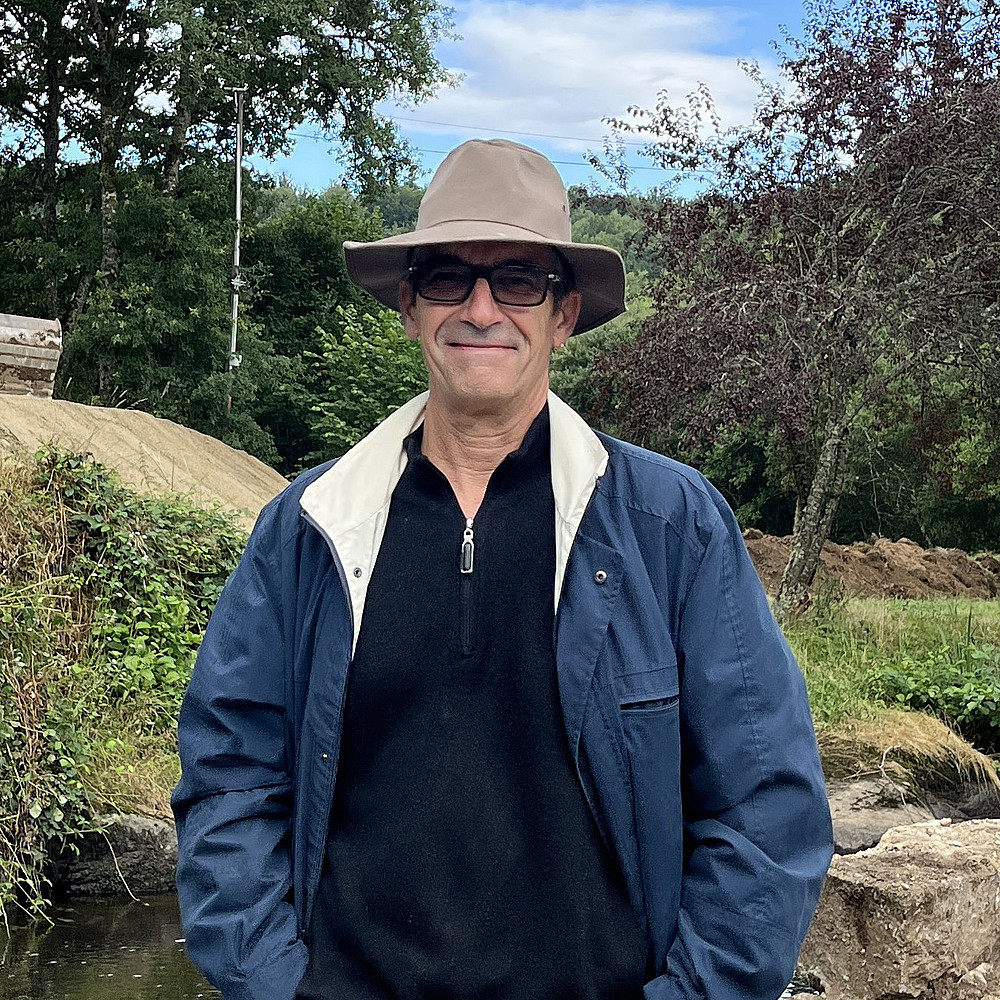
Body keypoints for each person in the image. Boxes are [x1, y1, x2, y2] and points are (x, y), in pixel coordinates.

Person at [172, 138, 834, 1000]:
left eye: (518, 280)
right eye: (449, 277)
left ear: (563, 313)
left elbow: (766, 808)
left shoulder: (670, 527)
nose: (482, 309)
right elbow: (228, 781)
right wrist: (276, 985)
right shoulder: (307, 530)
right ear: (410, 306)